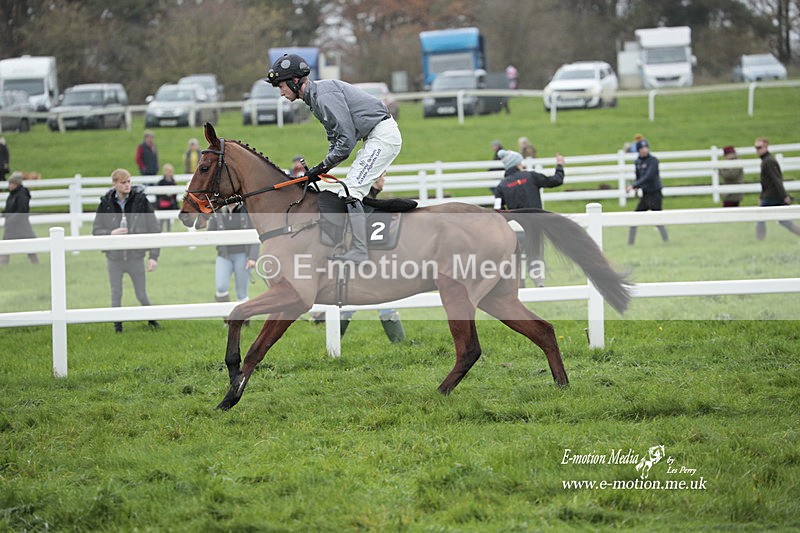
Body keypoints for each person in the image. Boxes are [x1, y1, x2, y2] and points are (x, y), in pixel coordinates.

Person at [267, 53, 402, 263]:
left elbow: (346, 142)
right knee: (349, 190)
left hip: (382, 136)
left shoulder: (323, 96)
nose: (281, 92)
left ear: (294, 81)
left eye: (281, 86)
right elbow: (336, 141)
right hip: (375, 136)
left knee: (352, 190)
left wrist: (321, 168)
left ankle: (360, 250)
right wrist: (320, 170)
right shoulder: (315, 100)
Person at [312, 173, 406, 342]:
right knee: (379, 301)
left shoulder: (364, 198)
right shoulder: (362, 200)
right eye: (382, 174)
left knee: (351, 303)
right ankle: (399, 342)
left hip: (361, 259)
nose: (384, 177)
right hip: (364, 261)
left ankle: (333, 341)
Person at [92, 168, 161, 333]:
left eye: (129, 181)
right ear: (115, 183)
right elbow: (96, 230)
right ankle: (118, 327)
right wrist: (111, 233)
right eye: (123, 182)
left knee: (141, 293)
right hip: (114, 257)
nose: (127, 185)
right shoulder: (106, 204)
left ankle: (152, 321)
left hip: (135, 256)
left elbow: (154, 228)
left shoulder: (141, 201)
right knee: (116, 292)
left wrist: (153, 256)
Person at [493, 150, 565, 287]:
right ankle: (539, 282)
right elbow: (556, 180)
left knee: (516, 258)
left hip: (515, 229)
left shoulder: (501, 186)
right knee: (535, 255)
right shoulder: (530, 176)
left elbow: (498, 211)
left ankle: (520, 285)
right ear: (518, 163)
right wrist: (559, 166)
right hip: (534, 226)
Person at [207, 203, 259, 303]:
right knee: (221, 287)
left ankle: (243, 318)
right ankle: (226, 317)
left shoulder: (246, 209)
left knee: (241, 293)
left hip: (243, 256)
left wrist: (253, 257)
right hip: (224, 255)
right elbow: (211, 232)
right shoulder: (218, 211)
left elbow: (255, 234)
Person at [754, 137, 800, 239]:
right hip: (772, 195)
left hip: (771, 196)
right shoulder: (766, 160)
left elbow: (776, 180)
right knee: (784, 221)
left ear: (766, 147)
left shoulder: (768, 161)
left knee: (759, 217)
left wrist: (784, 195)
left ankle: (759, 240)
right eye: (756, 148)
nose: (757, 150)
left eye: (759, 147)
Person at [626, 139, 669, 245]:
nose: (644, 150)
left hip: (655, 194)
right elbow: (639, 177)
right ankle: (630, 243)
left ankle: (666, 240)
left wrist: (634, 185)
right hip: (645, 195)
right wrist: (636, 188)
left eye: (646, 148)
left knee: (658, 219)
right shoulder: (638, 162)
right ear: (638, 150)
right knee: (634, 218)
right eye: (642, 148)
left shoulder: (653, 161)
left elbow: (649, 176)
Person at [0, 172, 39, 265]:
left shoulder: (22, 195)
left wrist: (11, 219)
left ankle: (36, 263)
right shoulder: (12, 195)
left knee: (29, 247)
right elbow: (9, 209)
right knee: (5, 247)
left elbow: (22, 210)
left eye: (11, 183)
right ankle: (3, 264)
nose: (9, 185)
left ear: (17, 184)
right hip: (12, 226)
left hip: (21, 226)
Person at [155, 163, 179, 232]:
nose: (169, 172)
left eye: (170, 171)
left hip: (170, 205)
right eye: (167, 171)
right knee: (161, 222)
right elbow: (157, 195)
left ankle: (168, 233)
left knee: (168, 222)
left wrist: (176, 206)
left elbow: (175, 195)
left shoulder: (173, 181)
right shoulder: (161, 182)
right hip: (162, 205)